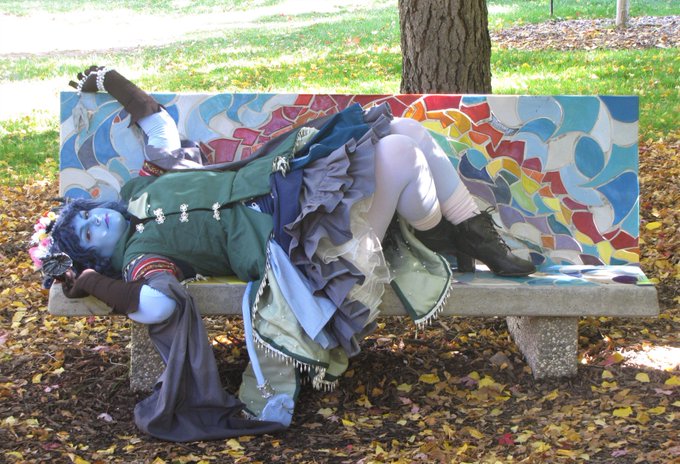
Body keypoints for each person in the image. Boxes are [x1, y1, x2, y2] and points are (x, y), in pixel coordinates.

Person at [30, 66, 535, 442]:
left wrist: (111, 80)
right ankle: (454, 236)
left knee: (408, 132)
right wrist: (92, 281)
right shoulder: (142, 259)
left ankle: (467, 235)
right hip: (302, 243)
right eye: (86, 234)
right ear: (97, 254)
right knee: (399, 153)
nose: (95, 222)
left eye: (88, 214)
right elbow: (157, 305)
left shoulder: (140, 188)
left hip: (293, 181)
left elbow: (157, 127)